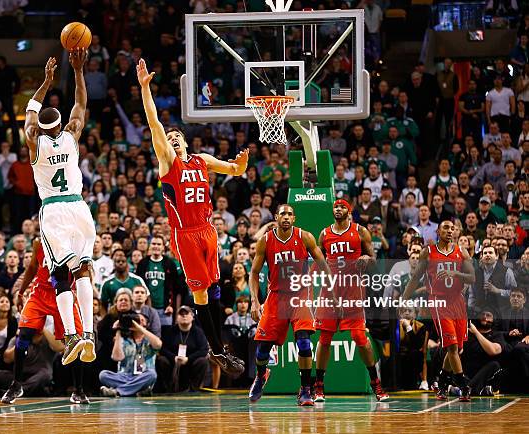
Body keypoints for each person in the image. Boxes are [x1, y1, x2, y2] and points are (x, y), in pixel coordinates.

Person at [137, 58, 247, 377]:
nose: (171, 141)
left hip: (208, 231)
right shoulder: (168, 165)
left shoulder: (201, 160)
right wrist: (146, 90)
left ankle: (217, 347)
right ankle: (216, 350)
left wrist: (239, 165)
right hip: (185, 234)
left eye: (177, 139)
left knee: (213, 288)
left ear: (186, 143)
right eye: (168, 141)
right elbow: (155, 124)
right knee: (200, 292)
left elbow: (232, 169)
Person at [24, 51, 96, 365]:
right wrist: (78, 71)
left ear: (41, 126)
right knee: (83, 269)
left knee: (59, 274)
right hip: (80, 207)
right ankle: (90, 334)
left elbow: (29, 113)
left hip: (54, 210)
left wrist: (45, 82)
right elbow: (81, 104)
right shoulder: (72, 134)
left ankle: (72, 335)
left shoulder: (33, 140)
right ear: (61, 124)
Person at [248, 204, 330, 406]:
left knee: (304, 342)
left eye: (289, 214)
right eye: (282, 213)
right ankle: (261, 375)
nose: (286, 217)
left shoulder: (305, 237)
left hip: (300, 295)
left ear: (294, 218)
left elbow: (323, 264)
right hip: (276, 296)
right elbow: (254, 273)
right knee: (263, 349)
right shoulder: (265, 241)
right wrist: (255, 301)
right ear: (276, 217)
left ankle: (305, 389)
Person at [314, 199, 389, 402]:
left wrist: (366, 259)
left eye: (342, 207)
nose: (338, 209)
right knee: (325, 339)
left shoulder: (360, 231)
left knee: (360, 338)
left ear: (349, 211)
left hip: (353, 289)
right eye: (336, 207)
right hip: (330, 290)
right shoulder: (324, 233)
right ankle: (319, 386)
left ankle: (376, 383)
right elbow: (319, 257)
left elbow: (373, 259)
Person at [0, 239, 87, 404]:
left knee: (76, 341)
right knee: (23, 335)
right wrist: (21, 292)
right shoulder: (39, 242)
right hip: (40, 293)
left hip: (64, 294)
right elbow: (33, 267)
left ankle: (79, 390)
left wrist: (78, 290)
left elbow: (83, 273)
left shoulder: (74, 243)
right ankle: (16, 385)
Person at [404, 220, 476, 402]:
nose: (450, 231)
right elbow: (415, 278)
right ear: (438, 231)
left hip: (457, 301)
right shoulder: (428, 252)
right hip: (438, 301)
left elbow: (472, 278)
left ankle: (442, 381)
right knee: (451, 346)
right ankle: (462, 384)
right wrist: (403, 299)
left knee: (457, 349)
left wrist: (456, 274)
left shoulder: (462, 252)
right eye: (446, 227)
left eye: (452, 228)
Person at [99, 312, 161, 397]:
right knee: (103, 375)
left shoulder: (149, 339)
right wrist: (118, 331)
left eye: (141, 320)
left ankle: (117, 392)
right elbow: (117, 358)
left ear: (146, 323)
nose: (138, 322)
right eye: (136, 320)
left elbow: (158, 344)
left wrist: (139, 327)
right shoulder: (124, 340)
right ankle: (139, 390)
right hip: (124, 376)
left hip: (143, 376)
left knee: (152, 374)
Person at [156, 306, 209, 392]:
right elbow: (163, 349)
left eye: (186, 313)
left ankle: (194, 389)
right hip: (173, 363)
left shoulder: (198, 332)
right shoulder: (170, 331)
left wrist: (188, 359)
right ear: (177, 318)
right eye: (181, 314)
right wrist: (174, 358)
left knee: (203, 361)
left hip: (191, 363)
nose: (184, 316)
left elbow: (204, 350)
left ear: (192, 317)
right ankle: (167, 389)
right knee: (161, 360)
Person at [136, 235, 180, 326]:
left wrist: (172, 306)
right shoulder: (143, 263)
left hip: (165, 309)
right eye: (154, 244)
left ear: (163, 247)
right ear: (150, 246)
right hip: (146, 309)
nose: (156, 246)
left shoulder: (170, 264)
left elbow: (175, 289)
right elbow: (138, 286)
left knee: (166, 338)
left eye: (159, 244)